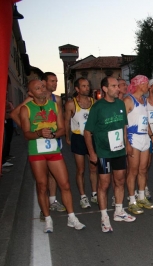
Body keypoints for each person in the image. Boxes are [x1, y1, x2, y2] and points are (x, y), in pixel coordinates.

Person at [20, 80, 85, 233]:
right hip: (37, 151)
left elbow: (62, 129)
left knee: (65, 184)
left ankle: (72, 217)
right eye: (37, 88)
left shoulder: (54, 105)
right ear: (31, 93)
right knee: (42, 185)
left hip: (54, 150)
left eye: (42, 86)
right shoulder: (26, 109)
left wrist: (54, 134)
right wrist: (39, 133)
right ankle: (48, 219)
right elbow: (26, 134)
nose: (42, 89)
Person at [84, 76, 135, 233]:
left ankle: (119, 211)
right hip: (104, 152)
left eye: (117, 86)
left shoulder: (120, 103)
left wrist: (127, 144)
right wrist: (92, 153)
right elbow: (87, 132)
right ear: (105, 89)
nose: (118, 88)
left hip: (119, 150)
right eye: (114, 86)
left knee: (120, 181)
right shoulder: (98, 107)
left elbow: (124, 127)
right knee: (104, 184)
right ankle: (104, 216)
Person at [11, 72, 66, 216]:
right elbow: (14, 114)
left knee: (54, 174)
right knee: (43, 177)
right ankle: (45, 208)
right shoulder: (31, 98)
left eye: (56, 81)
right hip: (38, 141)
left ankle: (53, 200)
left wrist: (56, 133)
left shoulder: (57, 100)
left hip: (54, 140)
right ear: (44, 82)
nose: (55, 84)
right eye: (52, 81)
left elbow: (59, 121)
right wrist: (29, 129)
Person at [124, 75, 153, 215]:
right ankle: (132, 201)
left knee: (143, 169)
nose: (148, 86)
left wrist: (151, 135)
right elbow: (123, 124)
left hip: (144, 137)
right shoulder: (128, 100)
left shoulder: (143, 101)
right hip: (133, 137)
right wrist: (127, 143)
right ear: (139, 84)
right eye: (146, 83)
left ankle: (142, 197)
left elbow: (145, 120)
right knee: (133, 171)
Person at [64, 77, 98, 209]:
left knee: (93, 168)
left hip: (92, 138)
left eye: (88, 85)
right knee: (81, 169)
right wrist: (67, 137)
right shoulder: (71, 104)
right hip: (78, 138)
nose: (87, 88)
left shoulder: (94, 102)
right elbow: (66, 121)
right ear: (77, 89)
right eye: (83, 86)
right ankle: (83, 196)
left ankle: (94, 194)